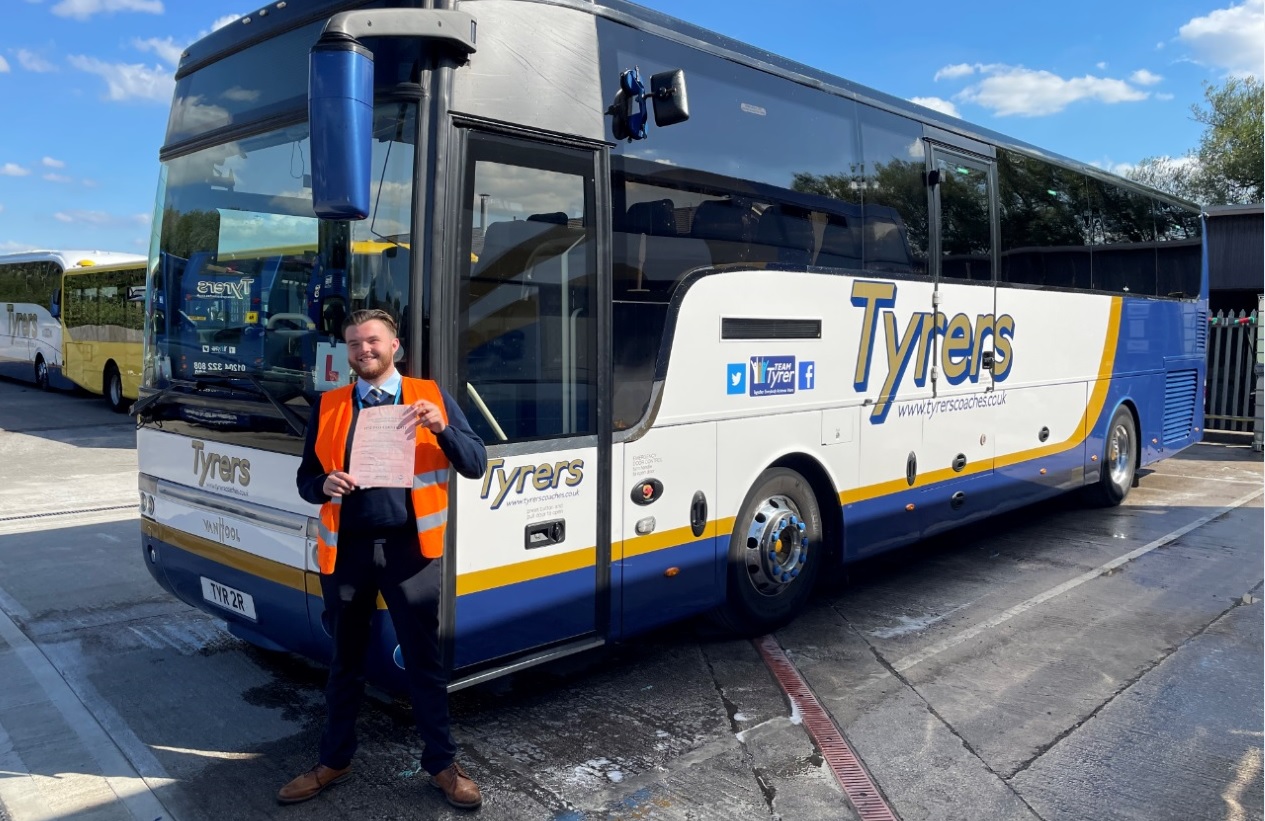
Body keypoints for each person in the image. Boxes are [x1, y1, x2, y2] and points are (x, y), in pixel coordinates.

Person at [279, 308, 487, 809]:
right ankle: (334, 759)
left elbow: (476, 463)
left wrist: (443, 430)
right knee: (345, 663)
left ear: (395, 347)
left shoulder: (430, 398)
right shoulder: (329, 405)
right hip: (347, 551)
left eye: (372, 341)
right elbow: (307, 479)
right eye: (353, 343)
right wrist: (321, 485)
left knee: (423, 663)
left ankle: (442, 764)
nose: (363, 350)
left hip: (410, 552)